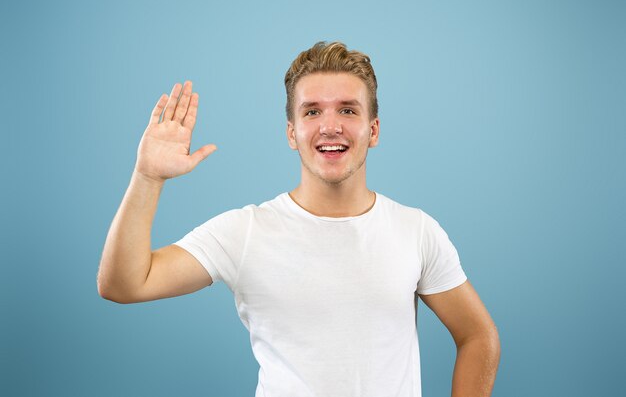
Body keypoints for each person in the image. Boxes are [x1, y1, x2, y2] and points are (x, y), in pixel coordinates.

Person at [97, 41, 500, 397]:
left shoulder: (417, 231)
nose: (330, 126)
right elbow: (124, 284)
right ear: (292, 133)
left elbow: (478, 336)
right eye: (311, 112)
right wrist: (148, 177)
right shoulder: (245, 231)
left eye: (347, 109)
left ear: (372, 129)